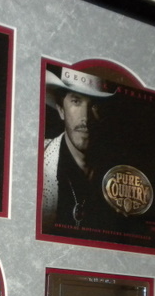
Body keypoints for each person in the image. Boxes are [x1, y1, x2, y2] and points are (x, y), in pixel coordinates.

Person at [41, 67, 114, 231]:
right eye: (76, 101)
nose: (85, 118)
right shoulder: (38, 160)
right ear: (61, 110)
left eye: (94, 105)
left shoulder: (116, 169)